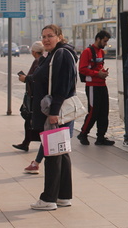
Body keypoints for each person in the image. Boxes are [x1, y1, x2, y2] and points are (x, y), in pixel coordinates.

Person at [29, 24, 77, 211]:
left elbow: (62, 85)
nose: (46, 39)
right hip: (56, 112)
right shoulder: (54, 54)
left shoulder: (61, 54)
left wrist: (54, 113)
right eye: (44, 36)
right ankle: (63, 196)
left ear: (59, 36)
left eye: (50, 36)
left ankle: (48, 198)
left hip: (55, 113)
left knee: (52, 154)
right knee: (61, 152)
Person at [77, 30, 114, 146]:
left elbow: (99, 67)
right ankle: (83, 133)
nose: (105, 44)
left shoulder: (101, 52)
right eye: (104, 41)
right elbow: (82, 69)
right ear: (98, 39)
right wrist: (97, 74)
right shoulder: (87, 52)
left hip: (102, 85)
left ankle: (101, 137)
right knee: (93, 111)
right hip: (93, 86)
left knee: (104, 112)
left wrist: (102, 72)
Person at [12, 41, 45, 152]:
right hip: (36, 96)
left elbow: (33, 78)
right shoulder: (42, 60)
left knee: (29, 120)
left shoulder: (37, 61)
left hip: (34, 97)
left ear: (34, 52)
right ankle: (27, 142)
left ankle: (27, 143)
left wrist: (25, 78)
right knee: (30, 121)